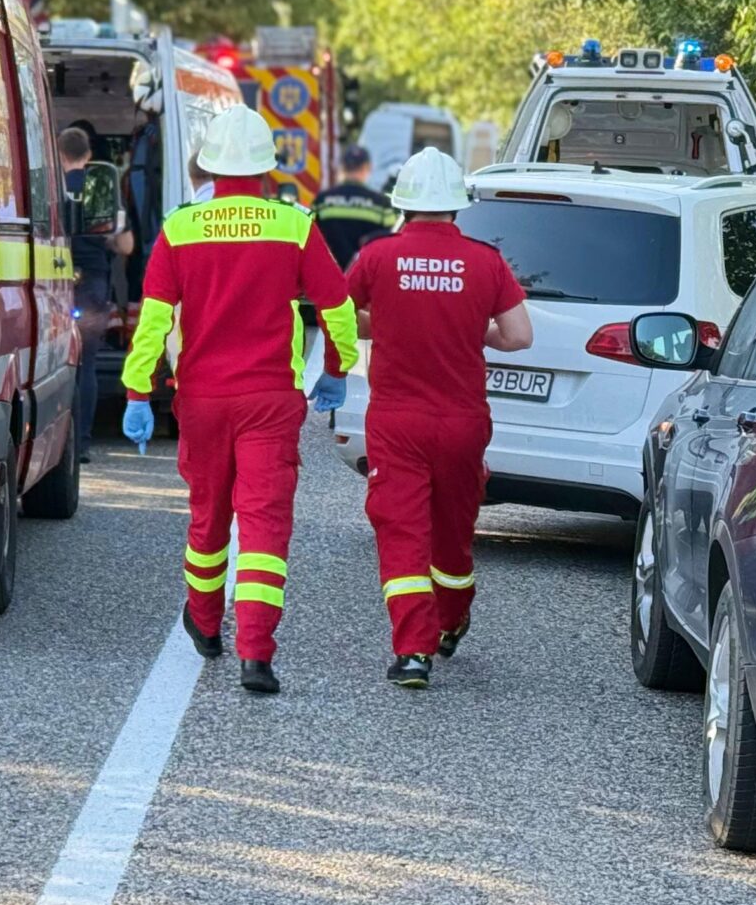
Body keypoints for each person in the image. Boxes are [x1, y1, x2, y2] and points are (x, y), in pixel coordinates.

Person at [120, 104, 357, 694]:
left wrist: (138, 389)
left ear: (208, 165)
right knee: (263, 526)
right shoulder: (294, 225)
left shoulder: (180, 228)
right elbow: (338, 307)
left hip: (202, 400)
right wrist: (337, 369)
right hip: (270, 400)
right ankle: (256, 655)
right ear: (267, 168)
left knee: (209, 518)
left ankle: (204, 625)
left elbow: (153, 321)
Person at [339, 148, 533, 690]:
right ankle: (451, 618)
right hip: (462, 420)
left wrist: (384, 324)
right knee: (452, 534)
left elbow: (339, 315)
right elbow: (519, 336)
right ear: (457, 206)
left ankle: (412, 653)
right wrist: (476, 331)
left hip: (397, 420)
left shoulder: (377, 257)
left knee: (402, 531)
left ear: (402, 204)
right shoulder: (485, 261)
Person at [59, 125, 133, 462]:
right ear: (89, 154)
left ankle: (57, 444)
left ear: (59, 154)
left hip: (55, 281)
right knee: (86, 363)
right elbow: (126, 245)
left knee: (55, 365)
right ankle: (82, 444)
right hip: (93, 285)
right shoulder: (104, 190)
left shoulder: (47, 186)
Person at [312, 142, 395, 273]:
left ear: (342, 167)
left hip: (328, 276)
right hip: (365, 277)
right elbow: (390, 241)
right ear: (367, 168)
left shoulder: (322, 201)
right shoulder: (381, 204)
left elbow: (310, 238)